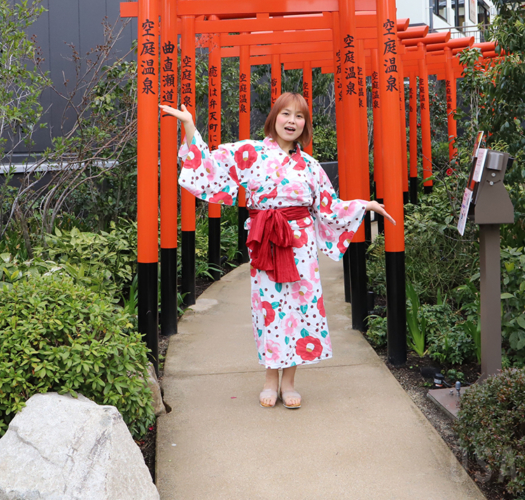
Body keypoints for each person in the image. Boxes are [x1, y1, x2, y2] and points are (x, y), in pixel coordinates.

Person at [160, 93, 394, 409]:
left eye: (299, 117)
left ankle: (291, 383)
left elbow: (328, 206)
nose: (292, 122)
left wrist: (363, 205)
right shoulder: (250, 152)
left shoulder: (310, 165)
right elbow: (211, 167)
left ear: (305, 125)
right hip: (267, 242)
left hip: (301, 247)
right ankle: (271, 379)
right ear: (274, 118)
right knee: (269, 308)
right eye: (286, 114)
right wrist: (189, 127)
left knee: (300, 308)